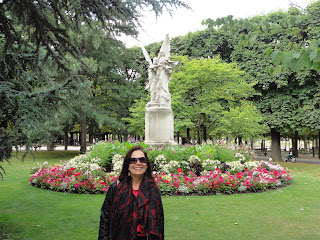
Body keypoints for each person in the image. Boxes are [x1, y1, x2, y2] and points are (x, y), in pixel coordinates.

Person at [98, 145, 164, 240]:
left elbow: (159, 222)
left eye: (142, 160)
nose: (138, 163)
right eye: (133, 160)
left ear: (146, 164)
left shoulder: (152, 189)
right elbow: (105, 217)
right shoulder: (116, 187)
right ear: (127, 165)